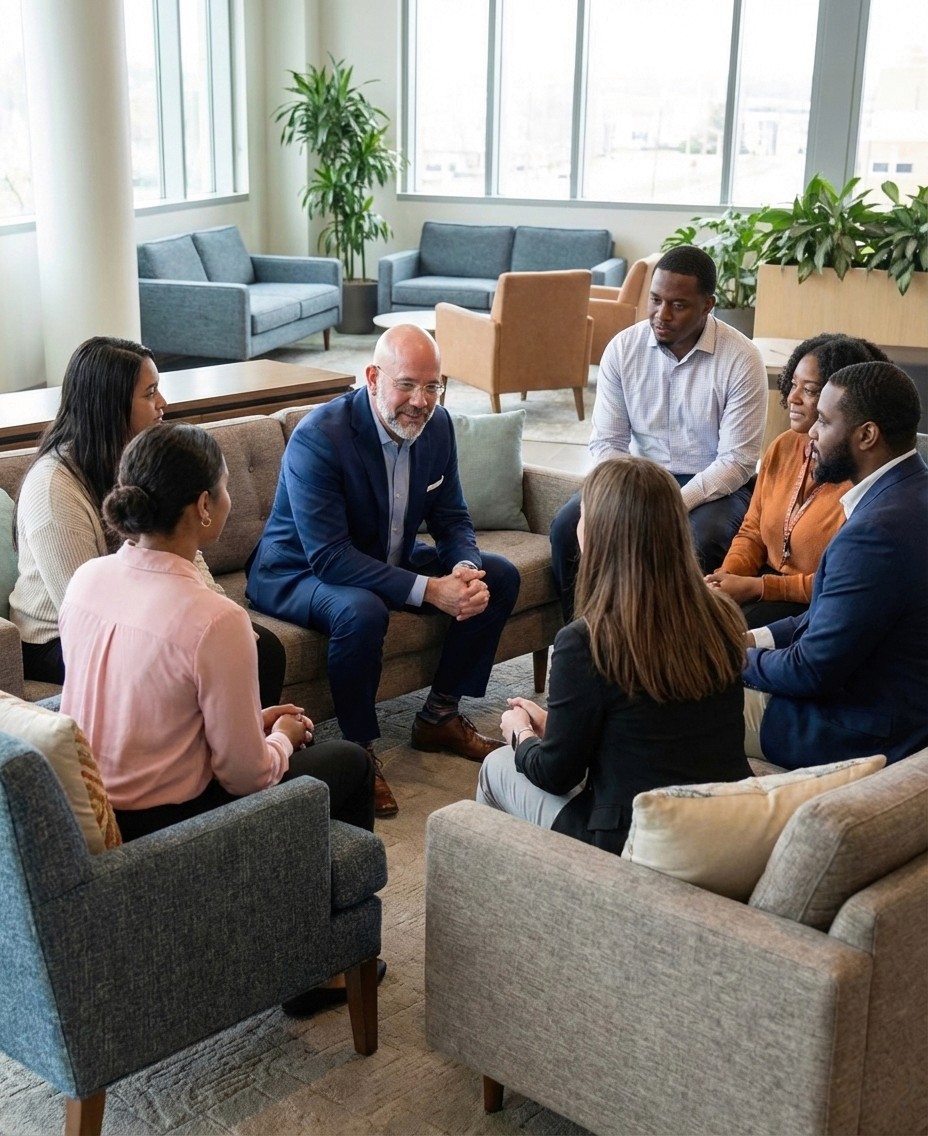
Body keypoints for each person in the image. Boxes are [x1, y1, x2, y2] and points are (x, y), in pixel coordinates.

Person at [59, 421, 378, 1016]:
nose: (231, 501)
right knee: (351, 765)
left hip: (100, 805)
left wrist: (250, 720)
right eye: (227, 489)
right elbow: (245, 779)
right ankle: (317, 969)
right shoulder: (215, 618)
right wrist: (280, 738)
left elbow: (151, 703)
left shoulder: (87, 580)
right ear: (204, 507)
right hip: (171, 828)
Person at [246, 324, 521, 819]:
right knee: (362, 609)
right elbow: (330, 556)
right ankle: (359, 751)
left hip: (383, 555)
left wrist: (462, 570)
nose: (420, 400)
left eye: (432, 386)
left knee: (496, 575)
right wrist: (429, 591)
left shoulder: (437, 428)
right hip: (297, 569)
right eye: (407, 384)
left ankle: (439, 716)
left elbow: (453, 517)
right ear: (372, 377)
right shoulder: (320, 437)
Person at [477, 456, 752, 853]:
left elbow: (555, 775)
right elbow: (653, 729)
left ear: (601, 533)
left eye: (583, 516)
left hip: (636, 840)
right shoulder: (721, 614)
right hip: (721, 823)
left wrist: (518, 733)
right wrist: (557, 726)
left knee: (498, 767)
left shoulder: (585, 641)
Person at [9, 336, 286, 704]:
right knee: (206, 658)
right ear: (110, 405)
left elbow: (184, 546)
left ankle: (243, 749)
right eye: (150, 392)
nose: (163, 404)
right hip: (57, 638)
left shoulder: (141, 458)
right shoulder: (53, 487)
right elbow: (84, 606)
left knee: (258, 647)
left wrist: (225, 611)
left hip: (138, 606)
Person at [550, 245, 767, 620]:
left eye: (678, 305)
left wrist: (670, 505)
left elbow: (737, 461)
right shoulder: (623, 348)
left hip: (711, 485)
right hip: (638, 477)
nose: (661, 315)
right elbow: (608, 443)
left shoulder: (742, 358)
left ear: (707, 305)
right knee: (567, 527)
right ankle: (583, 638)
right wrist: (608, 497)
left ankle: (676, 651)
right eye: (655, 300)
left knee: (701, 541)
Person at [743, 360, 928, 767]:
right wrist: (750, 639)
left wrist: (727, 657)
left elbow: (810, 671)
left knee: (666, 696)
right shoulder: (911, 491)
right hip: (891, 708)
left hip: (856, 730)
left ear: (866, 435)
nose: (811, 433)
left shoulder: (875, 534)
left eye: (824, 422)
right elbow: (828, 618)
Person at [706, 334, 889, 628]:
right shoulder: (783, 446)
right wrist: (726, 580)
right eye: (793, 384)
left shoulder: (859, 471)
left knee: (713, 637)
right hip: (759, 584)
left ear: (842, 400)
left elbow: (841, 581)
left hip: (813, 602)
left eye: (810, 390)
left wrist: (757, 587)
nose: (792, 397)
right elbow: (752, 531)